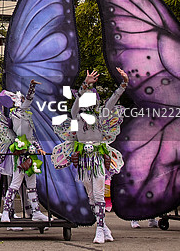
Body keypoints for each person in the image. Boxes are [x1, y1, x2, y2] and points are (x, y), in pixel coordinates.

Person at [53, 69, 128, 244]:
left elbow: (114, 99)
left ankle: (100, 229)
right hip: (84, 161)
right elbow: (76, 103)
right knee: (91, 196)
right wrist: (85, 84)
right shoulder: (76, 117)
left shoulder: (101, 117)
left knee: (99, 194)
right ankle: (104, 227)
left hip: (98, 159)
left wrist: (124, 84)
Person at [0, 80, 48, 223]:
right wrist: (31, 88)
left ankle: (36, 212)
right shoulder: (18, 114)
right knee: (15, 184)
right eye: (20, 99)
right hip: (21, 154)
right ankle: (5, 213)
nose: (24, 100)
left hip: (30, 153)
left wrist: (37, 147)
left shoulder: (25, 115)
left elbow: (31, 136)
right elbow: (29, 101)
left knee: (32, 185)